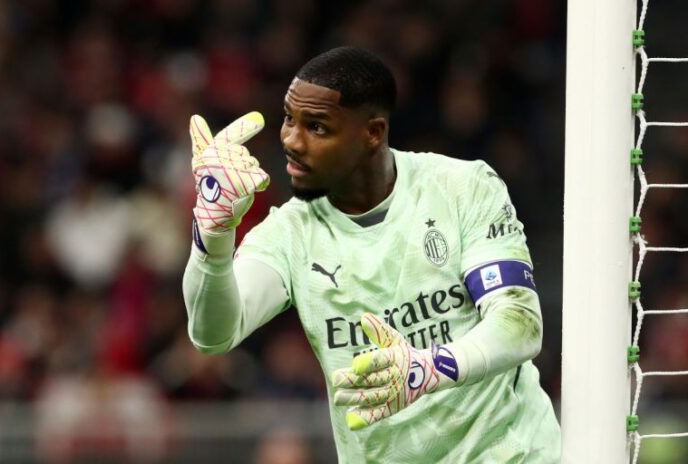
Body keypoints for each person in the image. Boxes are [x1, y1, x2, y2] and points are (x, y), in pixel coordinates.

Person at [182, 46, 561, 463]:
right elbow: (213, 333)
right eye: (289, 119)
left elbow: (519, 324)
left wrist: (429, 368)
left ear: (372, 133)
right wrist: (213, 235)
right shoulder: (290, 233)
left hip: (508, 453)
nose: (291, 140)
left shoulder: (461, 188)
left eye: (316, 126)